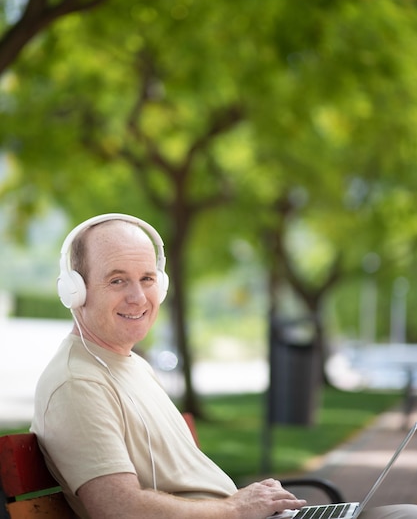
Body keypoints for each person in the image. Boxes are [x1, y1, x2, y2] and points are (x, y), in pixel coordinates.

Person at [31, 214, 417, 519]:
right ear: (75, 291)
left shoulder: (128, 364)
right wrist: (236, 509)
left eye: (147, 278)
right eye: (117, 280)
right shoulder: (77, 383)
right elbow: (118, 509)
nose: (138, 297)